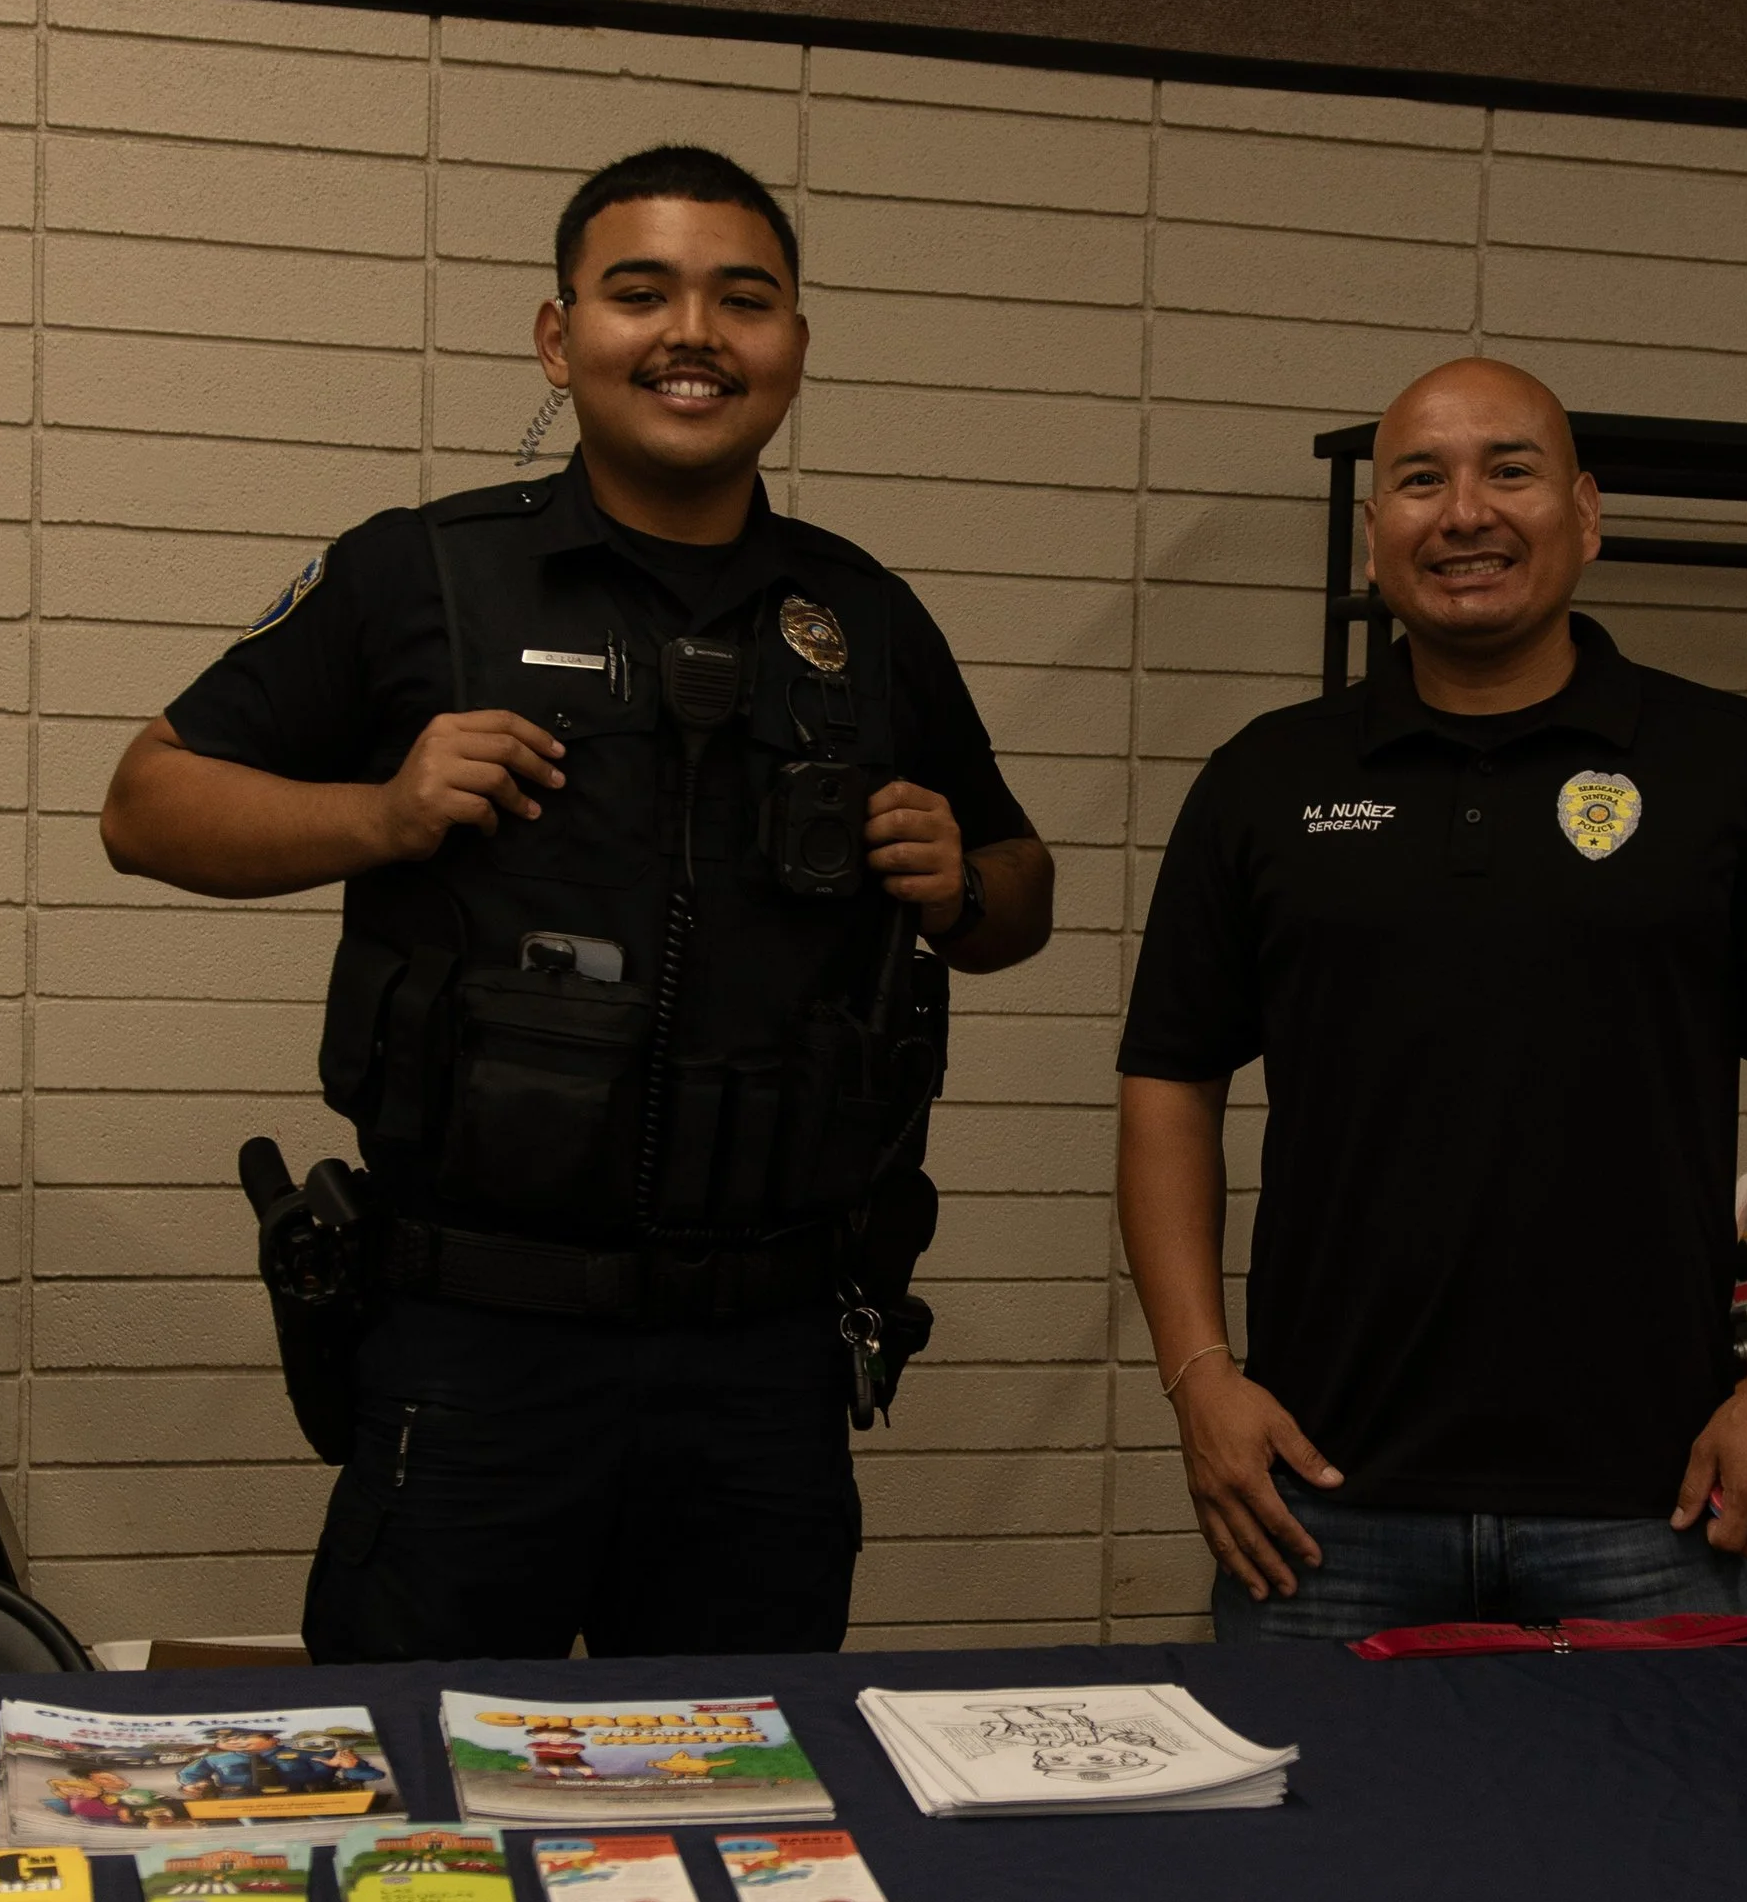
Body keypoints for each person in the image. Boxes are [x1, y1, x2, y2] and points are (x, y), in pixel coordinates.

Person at [101, 143, 1052, 1659]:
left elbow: (1016, 895)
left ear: (794, 348)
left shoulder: (860, 617)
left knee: (749, 1795)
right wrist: (381, 811)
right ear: (561, 337)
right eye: (640, 292)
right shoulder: (422, 576)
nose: (694, 332)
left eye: (744, 299)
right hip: (479, 1343)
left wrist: (962, 880)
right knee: (422, 1806)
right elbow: (144, 803)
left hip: (765, 1356)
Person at [1116, 357, 1747, 1636]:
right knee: (1318, 1841)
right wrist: (1199, 1379)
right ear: (1377, 536)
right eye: (1419, 479)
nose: (1463, 512)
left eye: (1509, 471)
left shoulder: (1726, 763)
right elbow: (1167, 1085)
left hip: (1655, 1500)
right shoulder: (1265, 781)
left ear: (1584, 515)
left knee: (1665, 1841)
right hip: (1323, 1499)